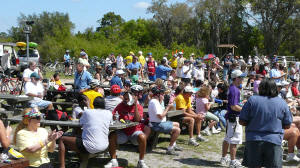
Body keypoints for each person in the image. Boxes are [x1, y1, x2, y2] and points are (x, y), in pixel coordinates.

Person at [239, 78, 293, 167]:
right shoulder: (282, 103)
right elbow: (287, 125)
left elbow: (242, 121)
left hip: (253, 140)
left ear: (260, 88)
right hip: (274, 141)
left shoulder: (252, 100)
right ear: (275, 88)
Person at [58, 97, 112, 168]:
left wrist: (88, 106)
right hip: (105, 145)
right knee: (80, 136)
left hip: (88, 146)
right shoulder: (109, 113)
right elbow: (110, 123)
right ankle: (82, 158)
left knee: (62, 139)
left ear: (94, 104)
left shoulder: (87, 112)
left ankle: (62, 166)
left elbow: (81, 122)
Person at [106, 92, 150, 168]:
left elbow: (137, 120)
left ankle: (141, 161)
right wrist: (115, 118)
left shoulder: (139, 107)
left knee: (142, 137)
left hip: (134, 131)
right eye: (124, 98)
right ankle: (113, 160)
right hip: (123, 132)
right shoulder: (120, 105)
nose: (125, 101)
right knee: (112, 135)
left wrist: (135, 105)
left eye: (127, 99)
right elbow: (113, 116)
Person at [220, 69, 246, 168]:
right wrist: (245, 110)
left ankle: (224, 157)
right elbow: (233, 107)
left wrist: (241, 105)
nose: (243, 79)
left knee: (227, 138)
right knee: (234, 140)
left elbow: (234, 104)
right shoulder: (234, 89)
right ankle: (233, 161)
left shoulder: (232, 88)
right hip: (234, 118)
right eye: (241, 77)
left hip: (231, 117)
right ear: (236, 78)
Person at [148, 86, 181, 155]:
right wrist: (168, 108)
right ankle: (170, 149)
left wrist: (166, 107)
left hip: (159, 122)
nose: (164, 95)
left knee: (177, 124)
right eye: (162, 94)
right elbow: (160, 116)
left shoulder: (156, 101)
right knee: (177, 130)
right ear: (158, 95)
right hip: (156, 124)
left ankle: (173, 144)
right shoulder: (155, 102)